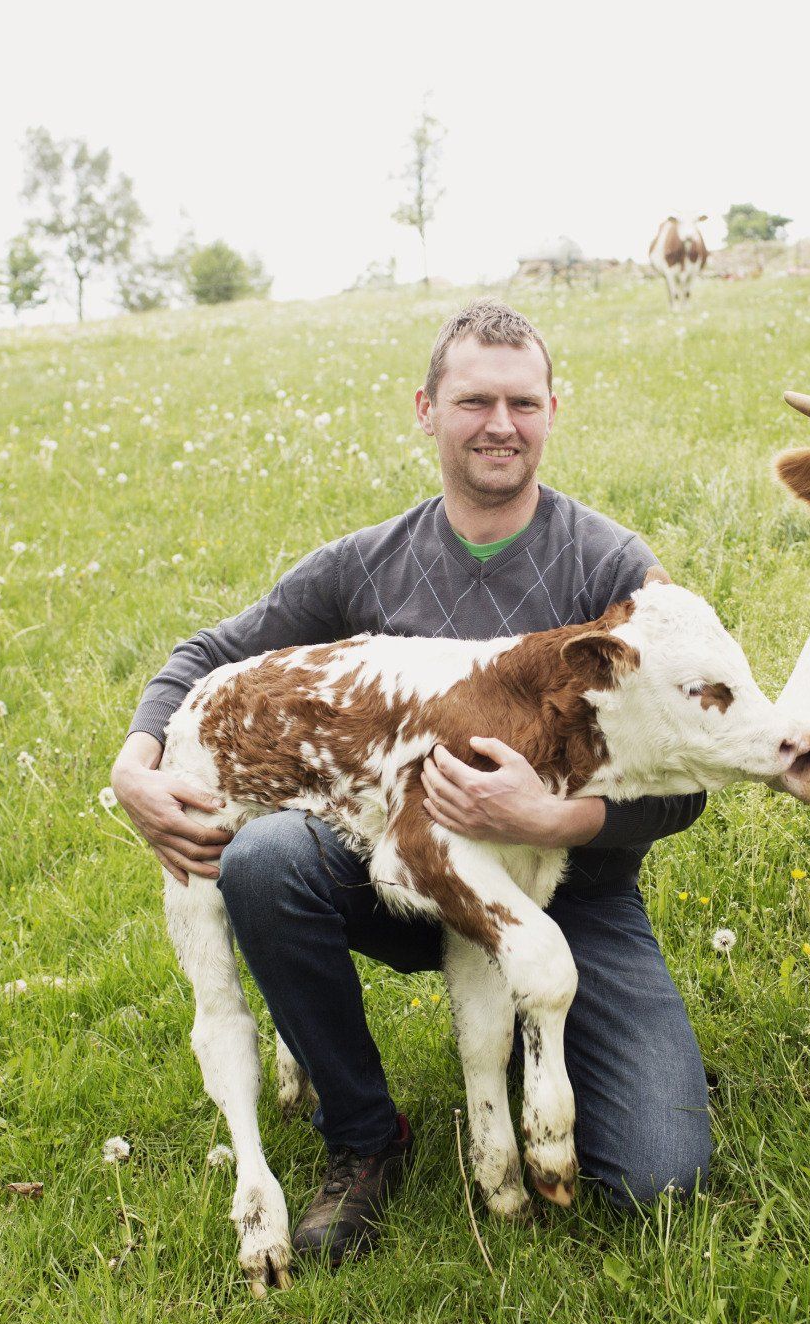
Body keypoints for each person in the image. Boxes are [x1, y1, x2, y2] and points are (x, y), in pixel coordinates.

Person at [110, 299, 712, 1264]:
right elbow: (210, 653)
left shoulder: (613, 571)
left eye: (523, 401)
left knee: (659, 1174)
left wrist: (552, 812)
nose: (501, 425)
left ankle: (598, 1051)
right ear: (427, 410)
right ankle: (362, 1135)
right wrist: (136, 761)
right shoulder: (365, 564)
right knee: (265, 859)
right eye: (475, 400)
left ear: (555, 408)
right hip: (390, 868)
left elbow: (688, 779)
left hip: (573, 894)